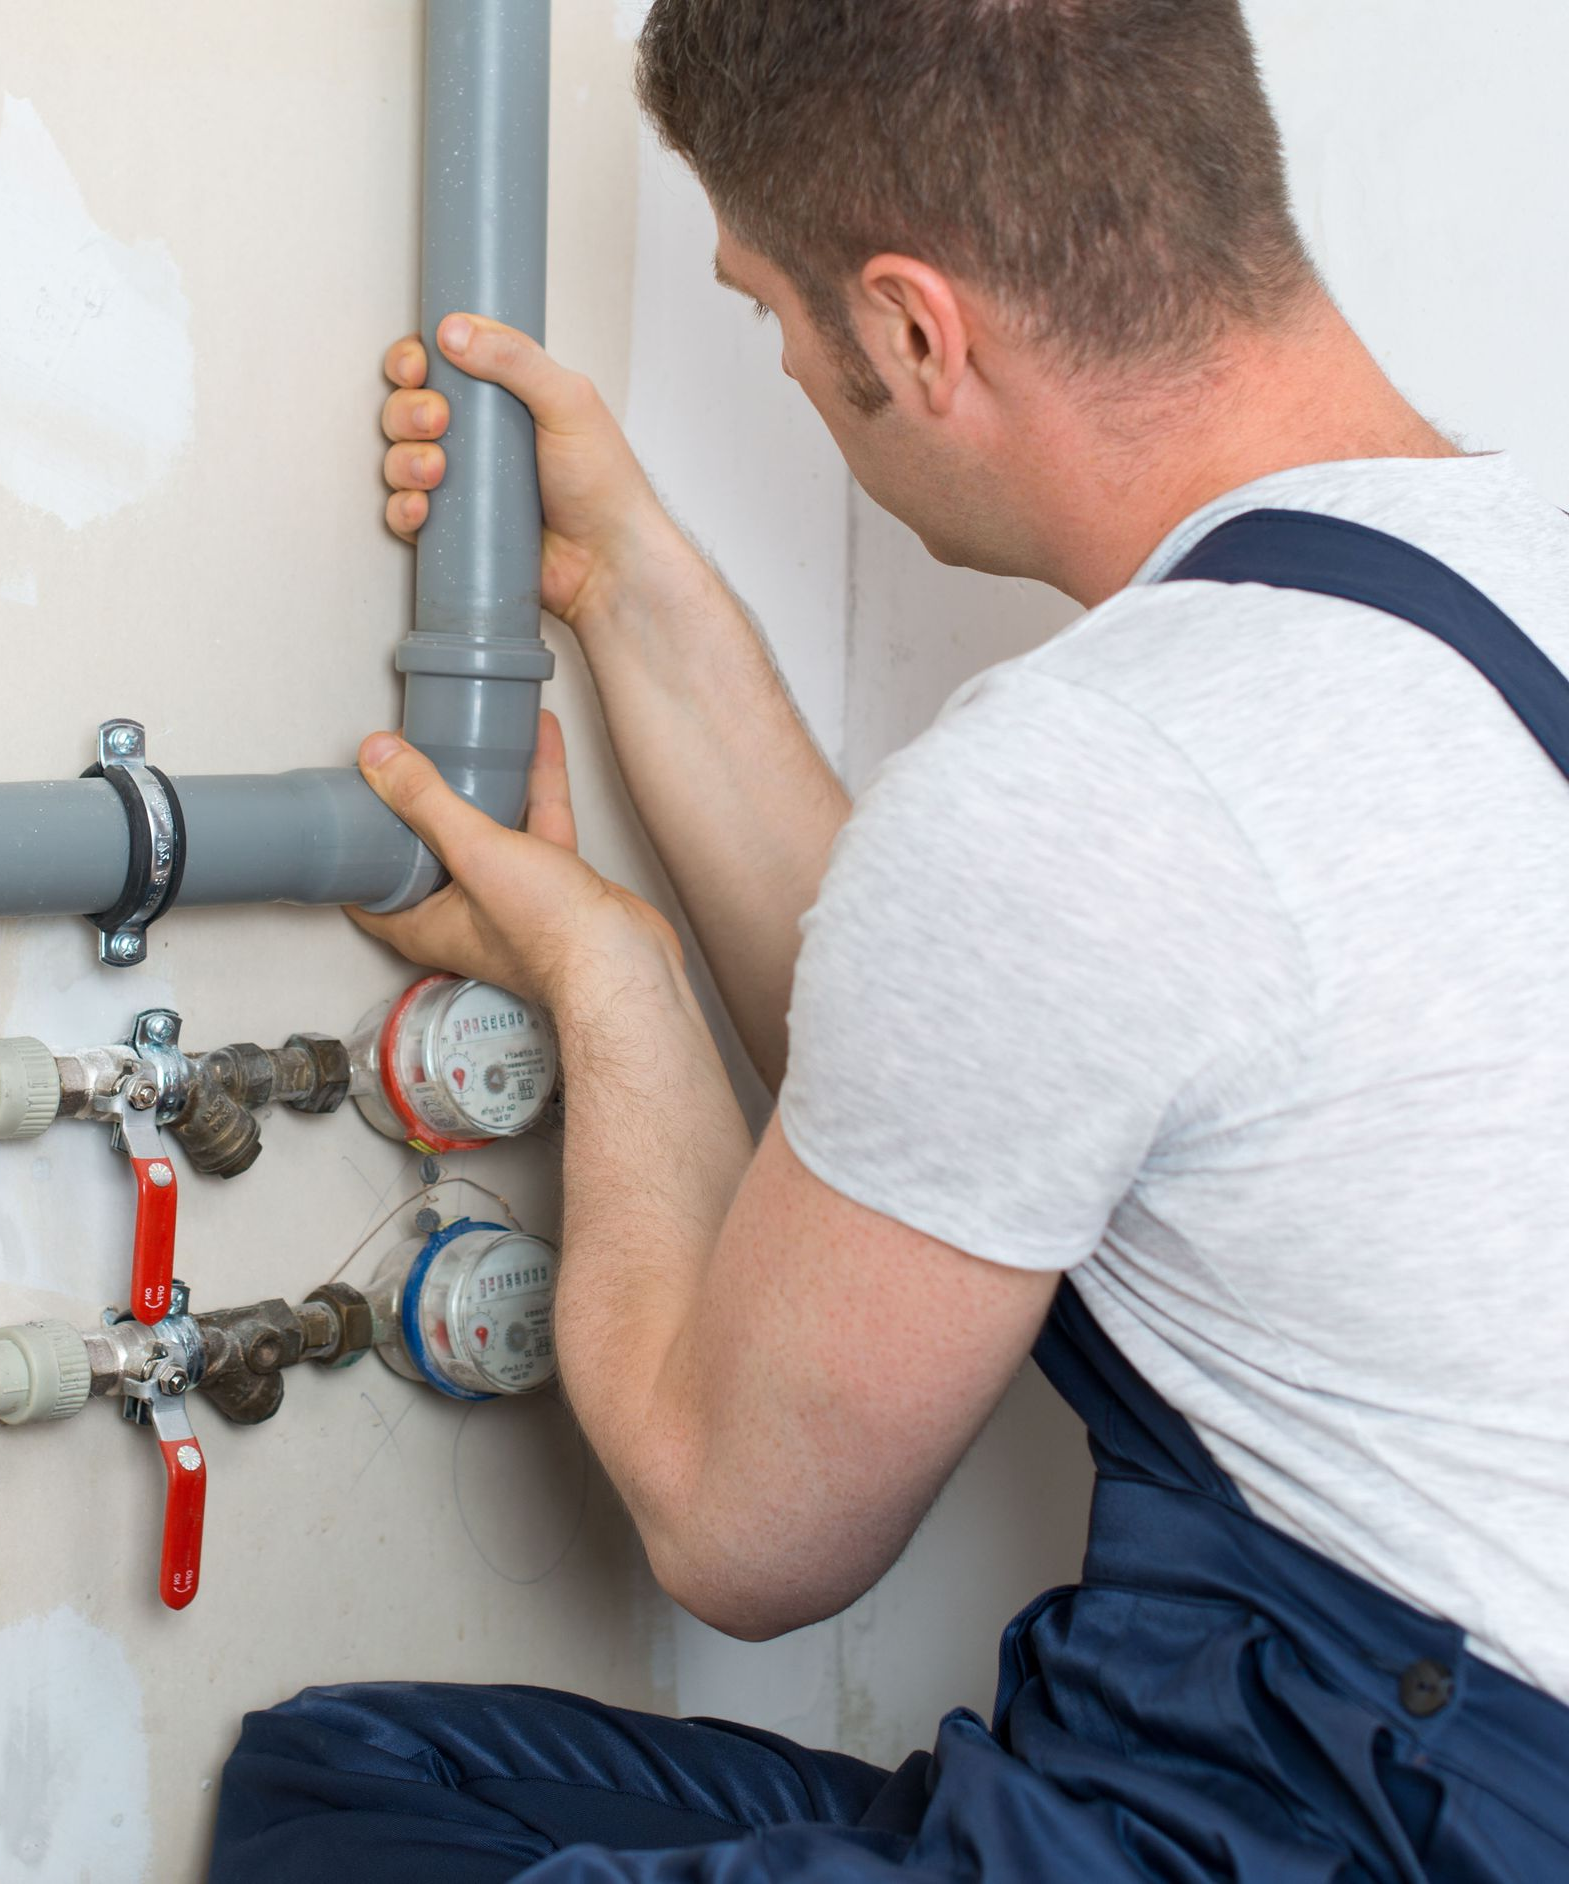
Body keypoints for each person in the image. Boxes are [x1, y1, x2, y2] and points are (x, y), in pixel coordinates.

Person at [211, 2, 1569, 1878]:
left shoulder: (1108, 771)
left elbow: (735, 1526)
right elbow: (962, 1074)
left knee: (337, 1820)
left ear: (916, 330)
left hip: (1387, 1823)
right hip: (1442, 1763)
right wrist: (618, 582)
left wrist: (611, 979)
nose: (776, 356)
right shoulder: (1509, 575)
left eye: (771, 317)